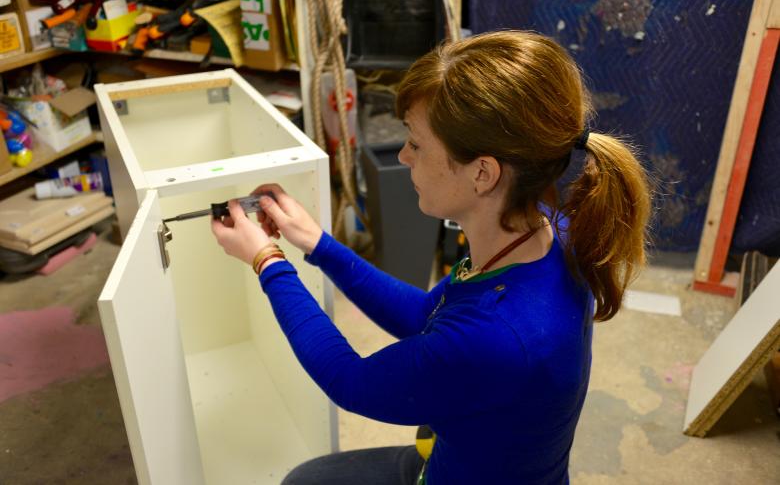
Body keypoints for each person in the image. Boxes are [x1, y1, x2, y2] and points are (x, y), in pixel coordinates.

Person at [211, 30, 651, 485]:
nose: (403, 156)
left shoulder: (499, 338)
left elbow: (349, 381)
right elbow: (431, 314)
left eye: (416, 144)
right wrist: (318, 243)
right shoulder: (543, 231)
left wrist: (268, 261)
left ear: (482, 172)